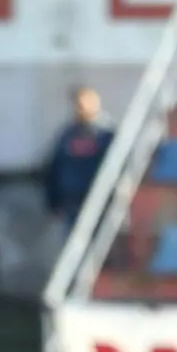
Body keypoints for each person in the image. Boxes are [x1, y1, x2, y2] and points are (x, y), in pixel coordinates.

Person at [44, 86, 113, 239]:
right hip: (72, 204)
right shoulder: (67, 135)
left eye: (85, 103)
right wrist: (53, 202)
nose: (81, 108)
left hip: (100, 203)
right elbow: (54, 169)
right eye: (78, 104)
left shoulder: (107, 136)